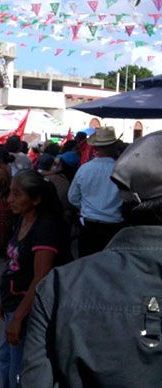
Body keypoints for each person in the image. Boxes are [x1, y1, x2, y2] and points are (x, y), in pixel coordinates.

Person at [22, 131, 162, 387]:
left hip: (94, 230)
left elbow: (74, 199)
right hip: (114, 227)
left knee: (94, 281)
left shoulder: (61, 285)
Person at [0, 169, 68, 388]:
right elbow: (14, 265)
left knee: (19, 371)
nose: (10, 200)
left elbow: (41, 276)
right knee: (6, 359)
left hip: (29, 310)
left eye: (16, 194)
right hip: (14, 303)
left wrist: (18, 317)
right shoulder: (22, 219)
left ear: (36, 199)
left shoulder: (45, 227)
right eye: (10, 193)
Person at [68, 127, 124, 258]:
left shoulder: (85, 169)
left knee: (88, 267)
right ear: (115, 146)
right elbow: (128, 197)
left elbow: (72, 198)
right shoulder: (121, 169)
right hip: (114, 227)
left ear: (96, 148)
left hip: (90, 226)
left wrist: (85, 206)